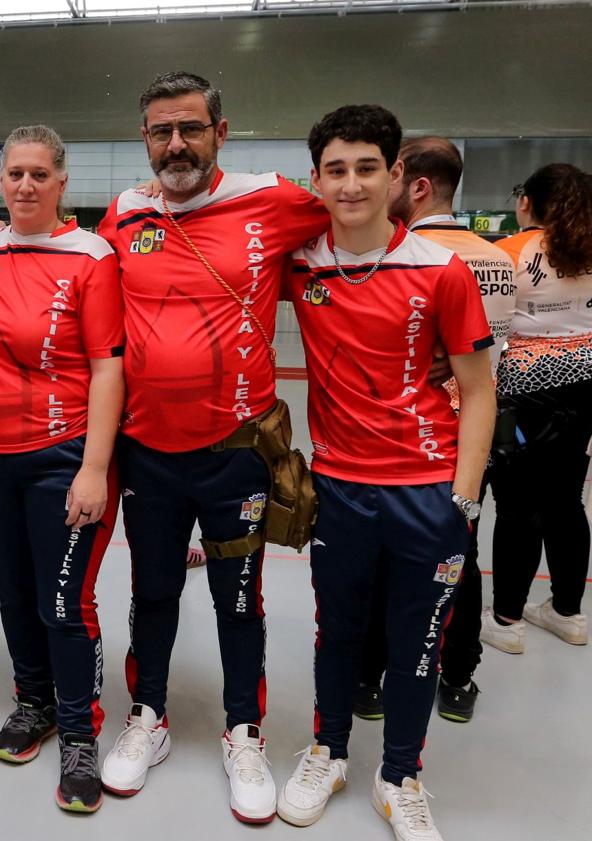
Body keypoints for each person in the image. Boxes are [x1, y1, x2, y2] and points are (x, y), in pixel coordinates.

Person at [92, 71, 328, 824]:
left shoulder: (273, 198)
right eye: (161, 131)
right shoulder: (125, 213)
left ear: (221, 133)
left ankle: (243, 730)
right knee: (152, 592)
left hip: (237, 454)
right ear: (145, 139)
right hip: (149, 455)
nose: (176, 144)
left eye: (190, 128)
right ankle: (148, 717)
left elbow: (355, 220)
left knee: (239, 601)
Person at [275, 105, 495, 841]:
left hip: (428, 491)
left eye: (368, 167)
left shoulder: (442, 269)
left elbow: (480, 388)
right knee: (335, 635)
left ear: (397, 175)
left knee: (417, 645)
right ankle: (329, 752)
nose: (351, 183)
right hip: (338, 488)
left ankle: (399, 775)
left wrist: (462, 498)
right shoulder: (299, 262)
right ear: (316, 179)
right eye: (335, 169)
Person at [0, 124, 125, 813]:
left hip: (62, 455)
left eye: (38, 174)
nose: (24, 185)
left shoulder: (92, 257)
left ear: (62, 184)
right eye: (14, 174)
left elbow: (107, 365)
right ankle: (35, 701)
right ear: (0, 182)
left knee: (64, 602)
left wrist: (94, 467)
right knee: (14, 592)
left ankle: (80, 731)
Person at [354, 137, 517, 724]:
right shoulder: (498, 257)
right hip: (483, 433)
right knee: (463, 561)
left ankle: (372, 679)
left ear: (415, 185)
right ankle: (458, 677)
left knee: (387, 563)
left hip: (423, 439)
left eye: (389, 176)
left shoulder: (416, 257)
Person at [481, 163, 592, 652]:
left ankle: (507, 619)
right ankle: (568, 613)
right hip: (585, 386)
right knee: (567, 499)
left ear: (526, 202)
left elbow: (485, 333)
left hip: (523, 391)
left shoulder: (507, 252)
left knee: (518, 505)